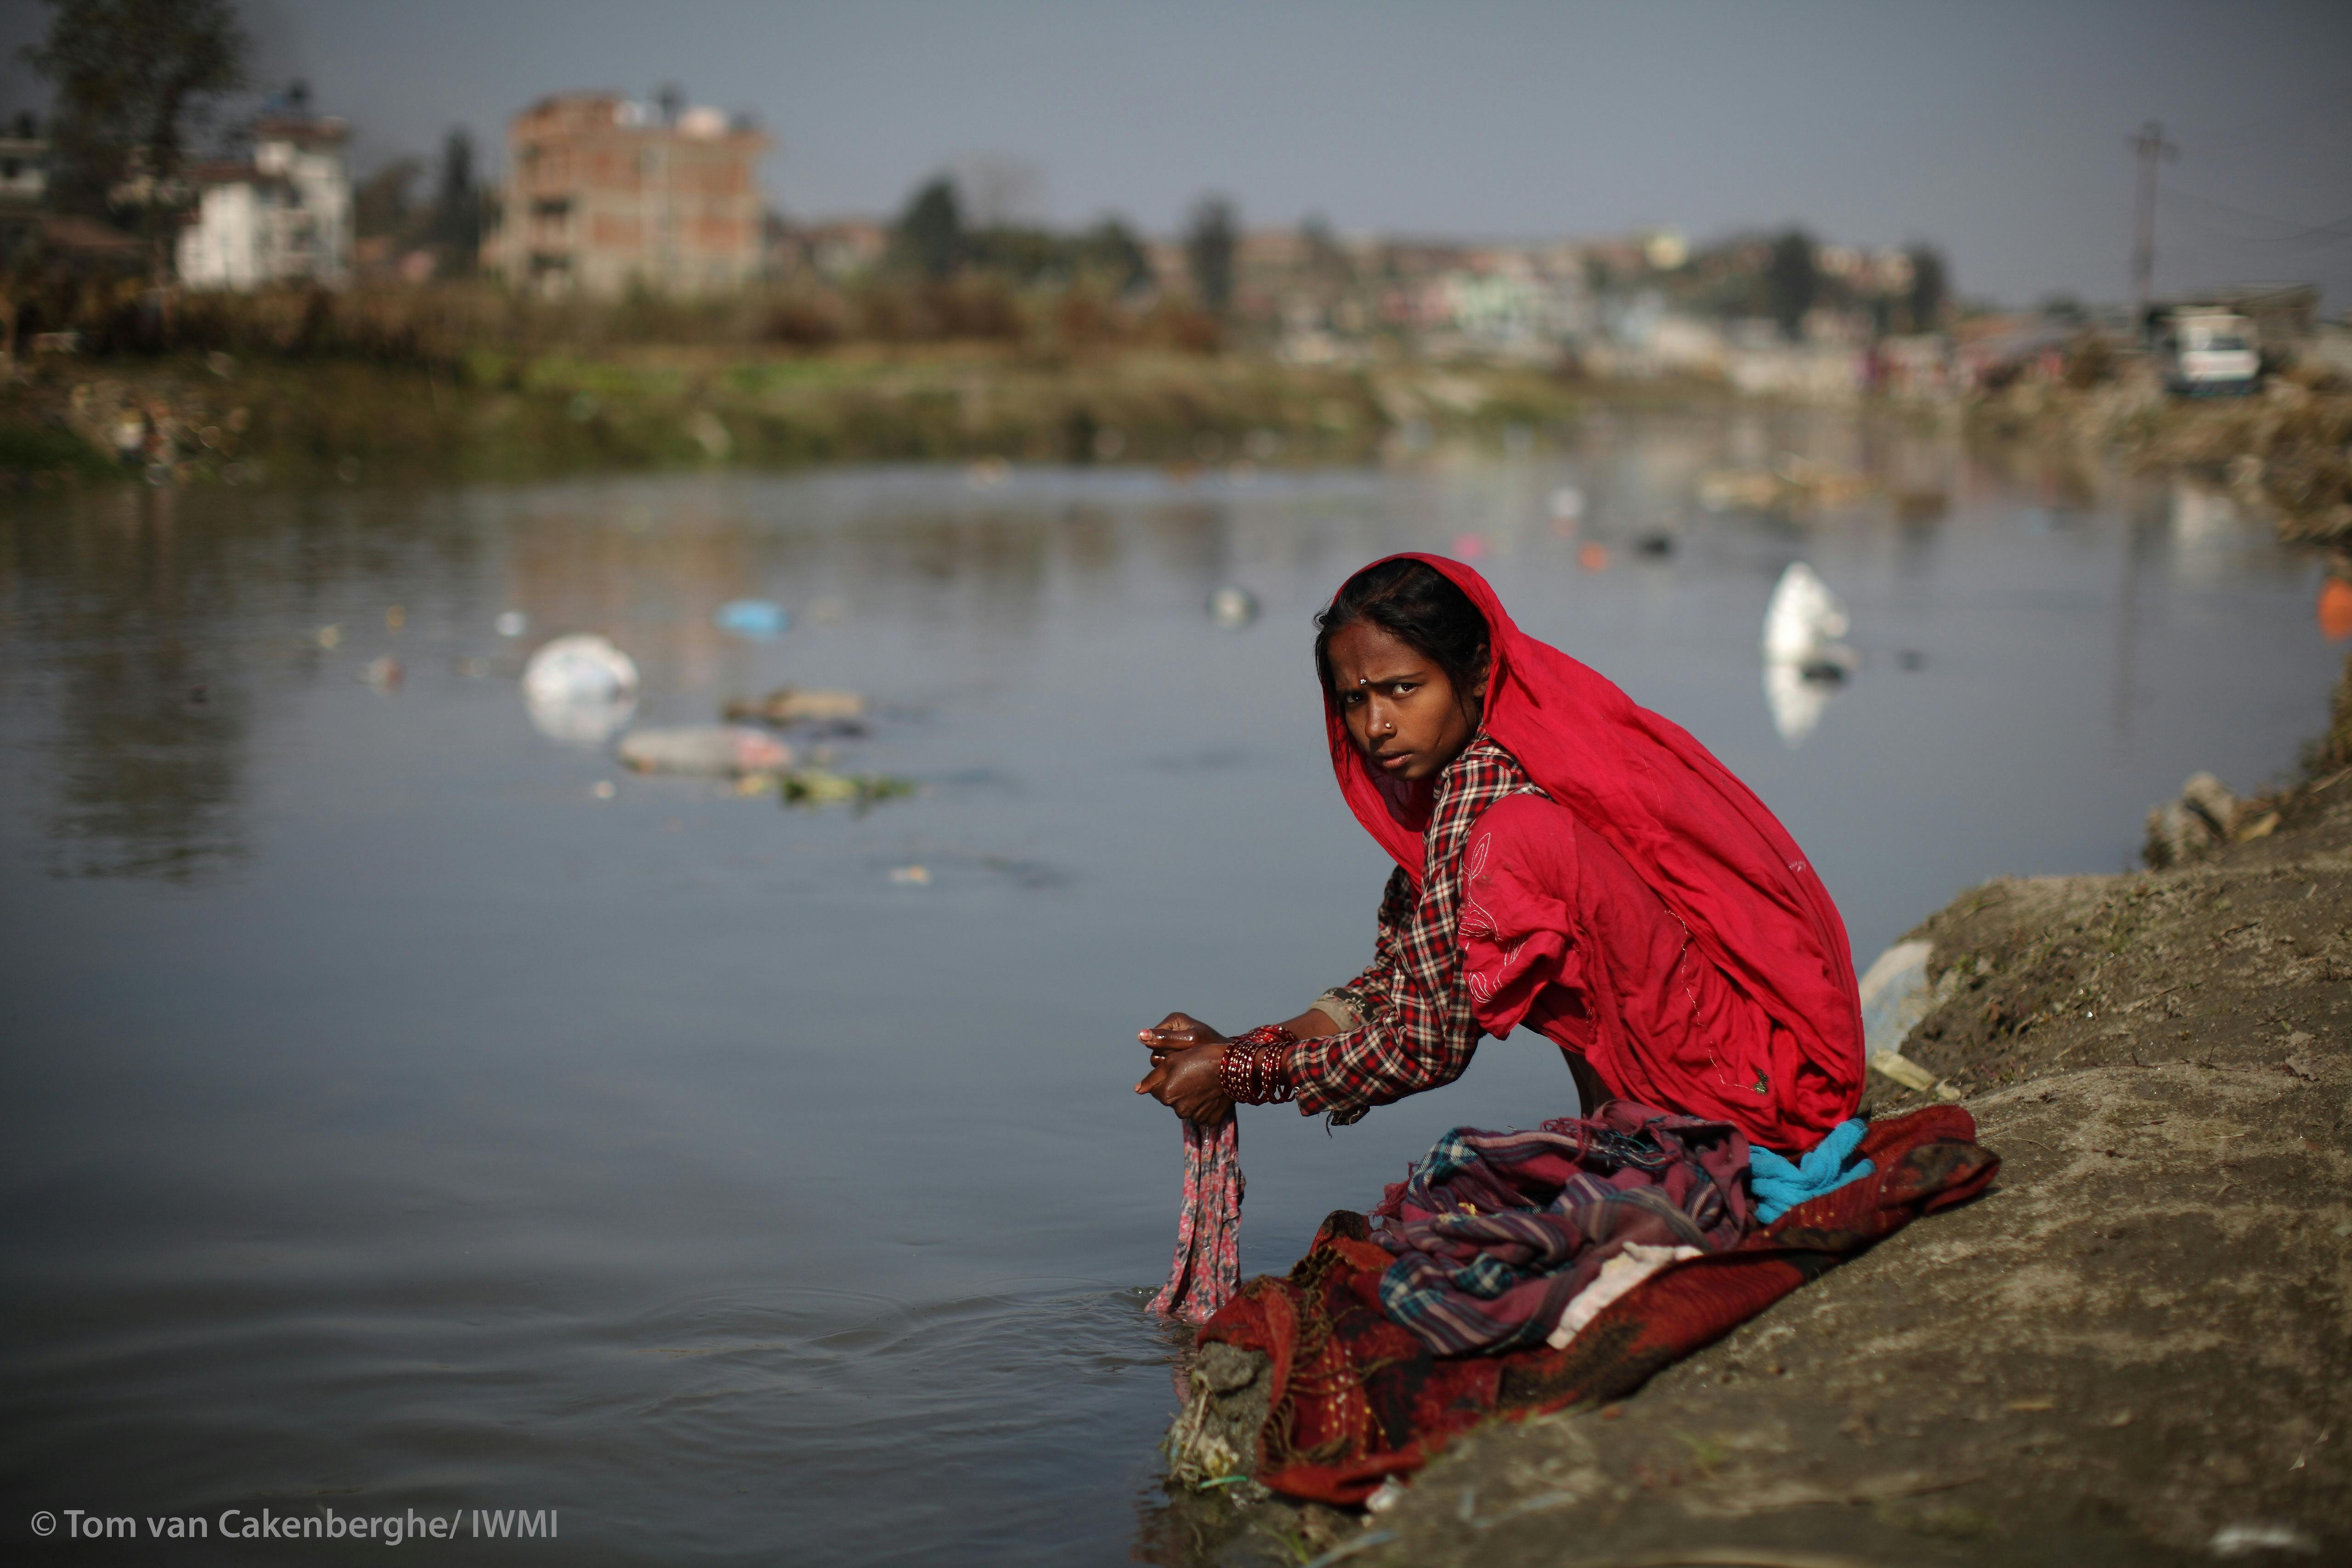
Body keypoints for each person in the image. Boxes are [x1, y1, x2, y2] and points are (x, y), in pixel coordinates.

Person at [1134, 554, 1865, 1158]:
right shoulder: (1493, 772)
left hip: (1757, 1096)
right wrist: (1243, 1048)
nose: (1377, 724)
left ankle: (1639, 1138)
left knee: (1517, 843)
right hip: (1764, 1070)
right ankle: (1619, 1132)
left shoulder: (1491, 794)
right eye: (1355, 700)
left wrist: (1244, 1073)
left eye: (1403, 689)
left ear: (1479, 670)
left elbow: (1425, 1044)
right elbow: (1402, 984)